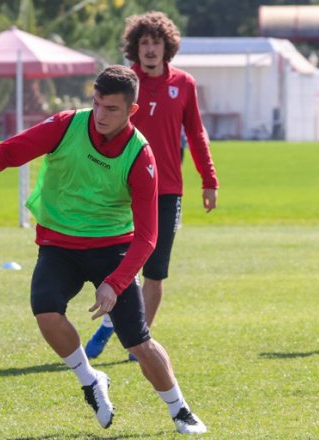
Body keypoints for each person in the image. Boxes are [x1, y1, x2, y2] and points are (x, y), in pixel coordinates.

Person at [0, 65, 207, 434]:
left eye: (111, 109)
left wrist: (115, 282)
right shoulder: (66, 125)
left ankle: (180, 410)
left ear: (131, 111)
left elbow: (146, 238)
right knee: (45, 310)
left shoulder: (141, 157)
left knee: (138, 340)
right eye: (96, 104)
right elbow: (6, 153)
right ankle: (91, 381)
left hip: (113, 248)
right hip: (59, 244)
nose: (100, 115)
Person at [85, 11, 219, 361]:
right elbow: (99, 125)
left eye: (155, 42)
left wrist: (209, 180)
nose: (149, 48)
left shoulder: (184, 84)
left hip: (167, 190)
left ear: (166, 46)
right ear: (135, 46)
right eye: (143, 42)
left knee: (155, 271)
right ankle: (114, 324)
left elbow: (196, 134)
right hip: (122, 187)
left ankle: (136, 341)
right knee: (120, 264)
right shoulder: (126, 82)